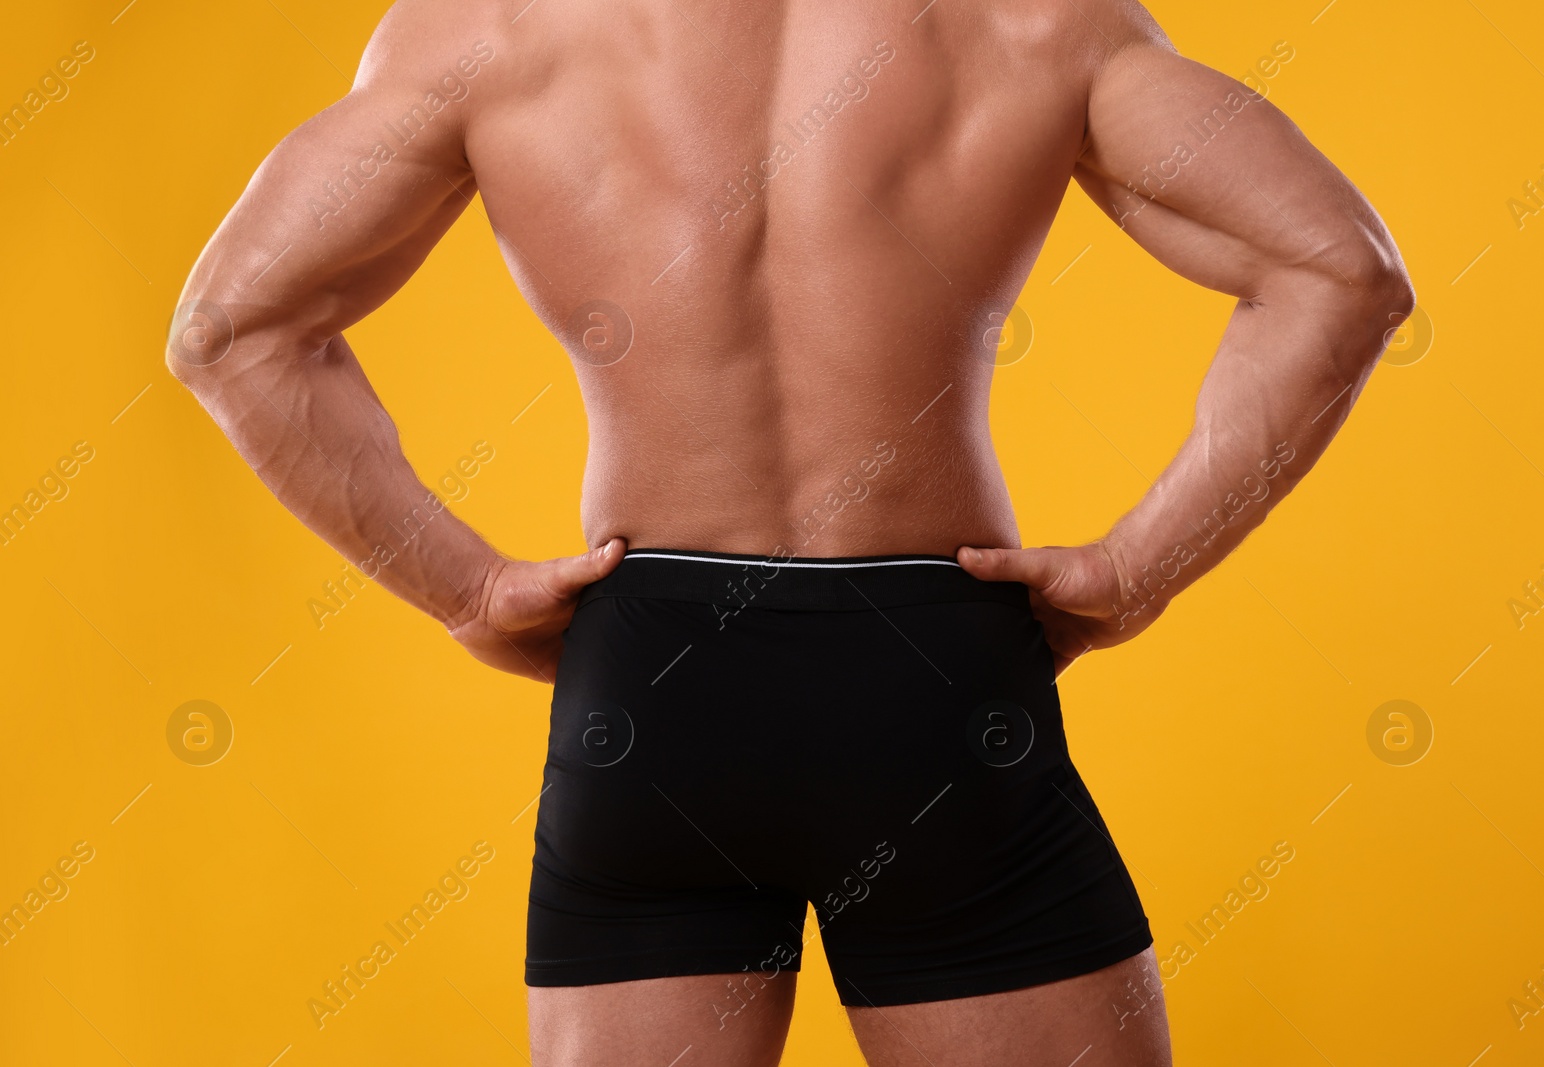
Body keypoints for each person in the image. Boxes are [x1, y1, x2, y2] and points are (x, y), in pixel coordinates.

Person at [168, 0, 1412, 1062]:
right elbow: (1342, 274)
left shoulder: (488, 26)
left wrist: (466, 589)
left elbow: (230, 332)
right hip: (934, 680)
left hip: (649, 684)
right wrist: (1135, 570)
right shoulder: (1034, 19)